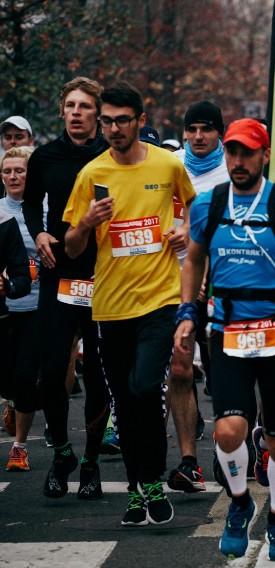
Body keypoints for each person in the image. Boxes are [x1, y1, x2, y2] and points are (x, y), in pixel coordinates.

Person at [175, 118, 275, 560]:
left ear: (264, 156)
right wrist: (188, 312)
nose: (238, 161)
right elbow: (193, 261)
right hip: (226, 332)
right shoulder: (208, 204)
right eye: (232, 152)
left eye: (246, 153)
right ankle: (240, 503)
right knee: (229, 430)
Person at [63, 80, 195, 525]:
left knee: (143, 387)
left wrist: (186, 233)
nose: (114, 129)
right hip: (110, 306)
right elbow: (73, 247)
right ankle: (141, 489)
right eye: (108, 121)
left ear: (140, 120)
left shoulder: (166, 164)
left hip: (160, 299)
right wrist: (85, 222)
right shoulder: (91, 175)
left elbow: (193, 209)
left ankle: (151, 478)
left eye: (123, 120)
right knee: (125, 397)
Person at [22, 76, 112, 500]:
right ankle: (61, 453)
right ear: (62, 111)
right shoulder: (45, 157)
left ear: (98, 114)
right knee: (51, 372)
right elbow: (29, 201)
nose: (77, 113)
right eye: (71, 106)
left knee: (98, 375)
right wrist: (39, 232)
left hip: (103, 275)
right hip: (59, 272)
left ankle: (91, 462)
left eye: (85, 107)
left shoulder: (110, 156)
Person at [167, 100, 231, 493]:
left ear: (219, 132)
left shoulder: (233, 169)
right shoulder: (169, 164)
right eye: (191, 129)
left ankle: (229, 450)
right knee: (179, 369)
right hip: (175, 283)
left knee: (222, 375)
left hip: (224, 282)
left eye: (206, 129)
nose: (197, 137)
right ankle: (189, 461)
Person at [1, 146, 36, 470]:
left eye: (20, 170)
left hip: (39, 305)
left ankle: (19, 447)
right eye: (8, 171)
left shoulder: (44, 209)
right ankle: (11, 400)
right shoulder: (1, 213)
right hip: (6, 307)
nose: (13, 176)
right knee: (8, 379)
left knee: (28, 377)